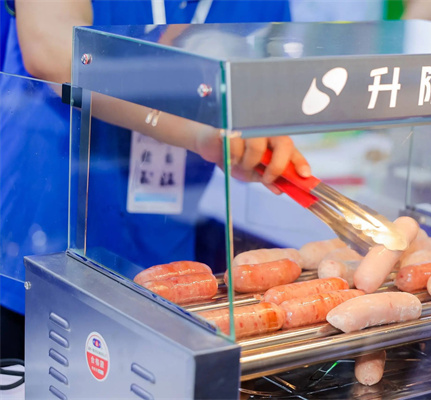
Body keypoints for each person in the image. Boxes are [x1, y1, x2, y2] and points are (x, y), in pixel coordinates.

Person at [0, 0, 310, 360]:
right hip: (35, 253)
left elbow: (254, 79)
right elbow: (52, 48)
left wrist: (252, 134)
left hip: (163, 264)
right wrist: (197, 128)